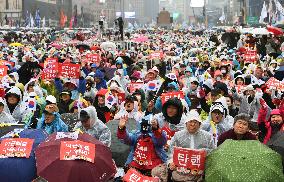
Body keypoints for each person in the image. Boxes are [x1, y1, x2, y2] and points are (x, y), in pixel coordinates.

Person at [152, 110, 215, 182]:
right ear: (186, 123)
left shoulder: (207, 137)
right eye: (190, 122)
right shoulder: (178, 136)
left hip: (199, 173)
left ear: (200, 124)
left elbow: (212, 153)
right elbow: (171, 153)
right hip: (180, 172)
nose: (192, 124)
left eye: (195, 122)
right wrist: (170, 162)